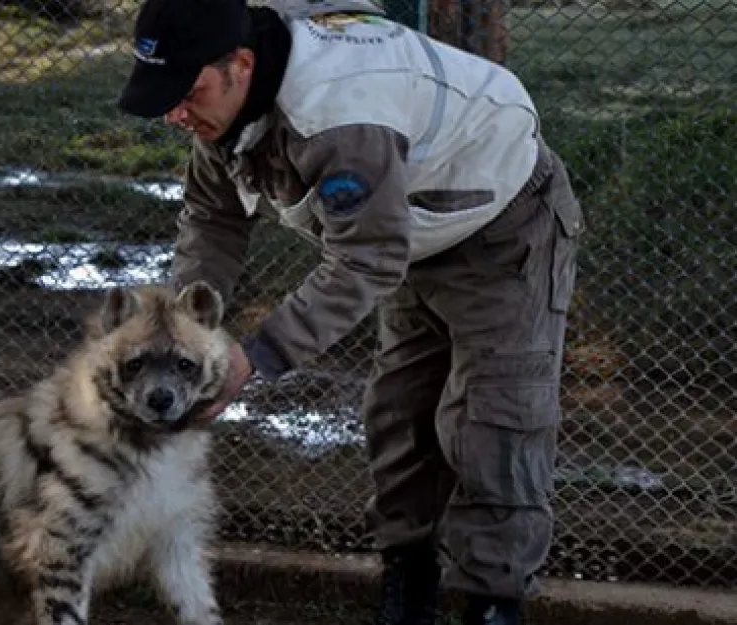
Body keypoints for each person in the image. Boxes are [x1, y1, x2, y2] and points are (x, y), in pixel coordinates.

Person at [115, 0, 585, 623]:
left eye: (188, 92)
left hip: (501, 227)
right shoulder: (224, 107)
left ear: (241, 65)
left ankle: (492, 606)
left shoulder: (336, 118)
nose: (175, 113)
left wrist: (254, 358)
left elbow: (366, 260)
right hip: (410, 230)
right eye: (165, 94)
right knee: (400, 417)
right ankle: (406, 594)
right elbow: (212, 217)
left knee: (492, 424)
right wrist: (186, 335)